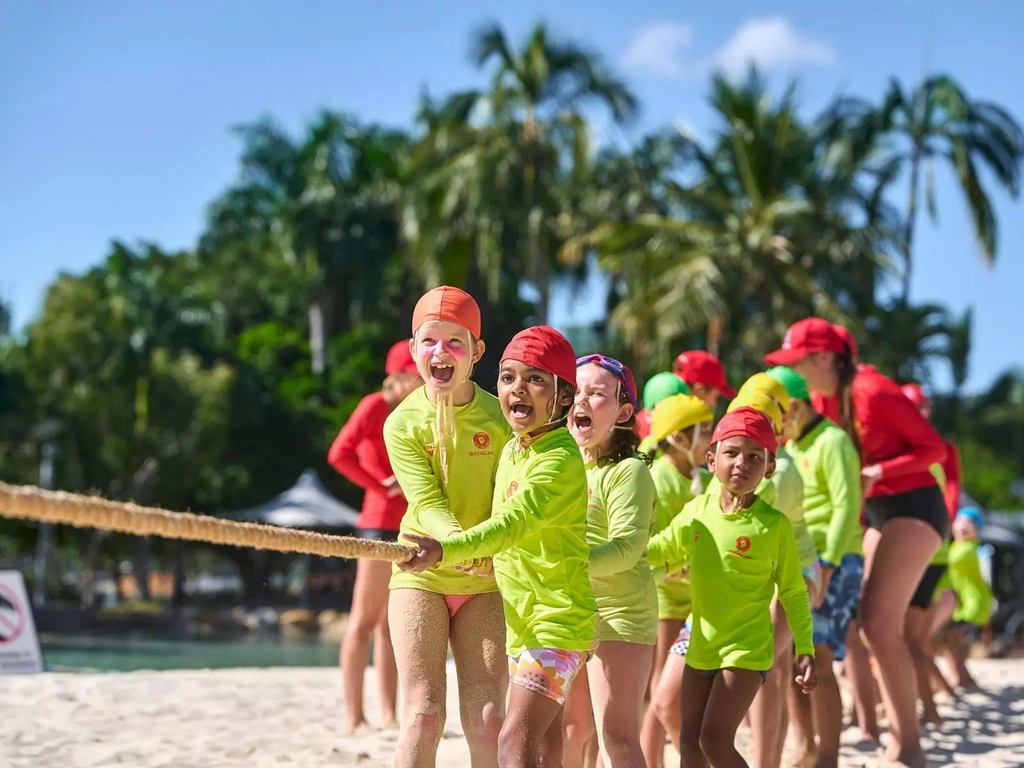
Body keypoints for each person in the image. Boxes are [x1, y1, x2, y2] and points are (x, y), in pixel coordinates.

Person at [400, 325, 598, 768]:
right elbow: (505, 534)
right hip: (524, 623)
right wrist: (485, 560)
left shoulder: (559, 459)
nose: (517, 390)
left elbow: (511, 523)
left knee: (513, 743)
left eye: (536, 380)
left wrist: (447, 549)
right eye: (508, 378)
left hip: (557, 625)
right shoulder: (513, 450)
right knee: (544, 750)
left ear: (564, 398)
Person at [767, 318, 947, 768]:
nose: (793, 373)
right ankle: (878, 732)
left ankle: (908, 746)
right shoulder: (824, 399)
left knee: (880, 622)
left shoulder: (873, 389)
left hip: (916, 505)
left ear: (825, 359)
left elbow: (935, 450)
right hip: (879, 511)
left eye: (796, 362)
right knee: (866, 625)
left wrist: (879, 474)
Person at [383, 286, 512, 768]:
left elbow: (512, 499)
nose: (441, 352)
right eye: (430, 341)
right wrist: (462, 546)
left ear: (477, 352)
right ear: (414, 349)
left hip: (488, 581)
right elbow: (427, 502)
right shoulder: (400, 424)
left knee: (486, 718)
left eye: (455, 342)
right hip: (421, 575)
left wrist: (480, 548)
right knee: (423, 714)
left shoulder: (502, 416)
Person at [646, 407, 817, 768]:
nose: (742, 463)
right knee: (690, 743)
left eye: (755, 457)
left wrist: (805, 645)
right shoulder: (697, 511)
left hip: (746, 651)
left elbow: (793, 591)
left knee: (714, 739)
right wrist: (620, 553)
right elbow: (661, 549)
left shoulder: (774, 526)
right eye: (732, 453)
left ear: (769, 468)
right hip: (700, 646)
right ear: (711, 460)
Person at [763, 364, 862, 768]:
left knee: (817, 656)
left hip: (834, 560)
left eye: (783, 412)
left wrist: (829, 563)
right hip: (797, 561)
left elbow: (847, 505)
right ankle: (804, 747)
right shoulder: (791, 447)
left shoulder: (834, 441)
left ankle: (830, 758)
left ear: (799, 406)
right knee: (786, 658)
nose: (780, 422)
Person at [562, 354, 657, 768]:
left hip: (621, 615)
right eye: (575, 391)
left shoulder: (628, 471)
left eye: (596, 394)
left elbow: (626, 550)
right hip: (570, 611)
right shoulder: (561, 466)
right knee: (569, 730)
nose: (581, 400)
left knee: (616, 737)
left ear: (622, 412)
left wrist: (562, 565)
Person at [328, 340, 422, 733]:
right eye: (417, 376)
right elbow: (339, 454)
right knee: (363, 620)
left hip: (412, 524)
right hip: (378, 521)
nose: (423, 383)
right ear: (398, 375)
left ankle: (388, 713)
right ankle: (354, 715)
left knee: (391, 625)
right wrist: (380, 485)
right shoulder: (374, 406)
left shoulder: (420, 411)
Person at [637, 394, 714, 768]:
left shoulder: (695, 475)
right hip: (665, 597)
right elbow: (656, 541)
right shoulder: (660, 477)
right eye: (707, 432)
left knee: (671, 693)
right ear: (681, 438)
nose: (712, 439)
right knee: (656, 693)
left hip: (691, 595)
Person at [944, 506, 995, 689]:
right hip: (965, 602)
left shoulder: (967, 548)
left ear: (978, 530)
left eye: (970, 523)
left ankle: (957, 676)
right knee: (954, 639)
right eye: (961, 521)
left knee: (955, 638)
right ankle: (962, 677)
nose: (964, 526)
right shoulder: (958, 546)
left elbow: (947, 561)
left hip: (973, 602)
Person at [901, 383, 962, 520]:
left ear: (928, 410)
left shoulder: (945, 448)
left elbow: (952, 485)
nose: (915, 412)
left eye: (920, 407)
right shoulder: (889, 446)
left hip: (931, 517)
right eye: (910, 407)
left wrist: (948, 517)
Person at [636, 371, 691, 446]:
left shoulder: (693, 451)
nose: (675, 416)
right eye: (666, 409)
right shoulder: (640, 454)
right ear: (648, 415)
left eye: (681, 409)